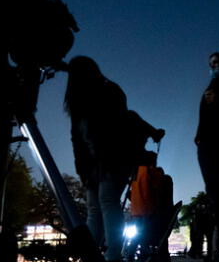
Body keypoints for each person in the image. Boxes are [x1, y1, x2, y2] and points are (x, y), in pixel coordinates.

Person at [64, 56, 163, 262]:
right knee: (96, 207)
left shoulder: (106, 91)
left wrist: (95, 161)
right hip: (92, 164)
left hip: (113, 159)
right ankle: (91, 255)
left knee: (106, 202)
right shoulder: (84, 97)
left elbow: (117, 127)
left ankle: (112, 256)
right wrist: (82, 169)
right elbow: (77, 138)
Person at [195, 52, 219, 261]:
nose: (214, 66)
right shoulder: (210, 86)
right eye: (211, 64)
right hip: (208, 147)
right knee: (217, 200)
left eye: (217, 62)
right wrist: (199, 139)